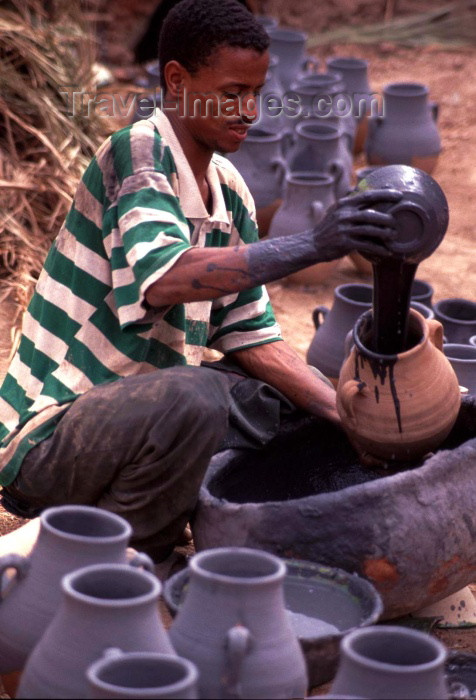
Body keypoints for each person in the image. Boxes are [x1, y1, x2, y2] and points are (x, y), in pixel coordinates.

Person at [0, 0, 401, 562]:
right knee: (196, 397)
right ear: (176, 81)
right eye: (232, 92)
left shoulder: (229, 189)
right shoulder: (137, 153)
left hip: (138, 426)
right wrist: (314, 243)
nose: (250, 111)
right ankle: (132, 557)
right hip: (51, 437)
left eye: (257, 93)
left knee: (279, 403)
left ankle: (175, 518)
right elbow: (164, 278)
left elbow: (252, 336)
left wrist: (350, 418)